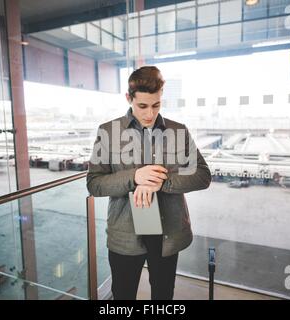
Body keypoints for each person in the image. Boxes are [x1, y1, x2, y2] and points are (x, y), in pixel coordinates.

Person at [87, 66, 211, 300]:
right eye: (142, 106)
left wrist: (159, 181)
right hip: (125, 233)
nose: (149, 114)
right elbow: (94, 183)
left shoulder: (178, 131)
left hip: (167, 233)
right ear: (128, 98)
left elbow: (203, 175)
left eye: (156, 105)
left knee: (163, 295)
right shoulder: (107, 132)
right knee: (122, 296)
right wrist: (135, 177)